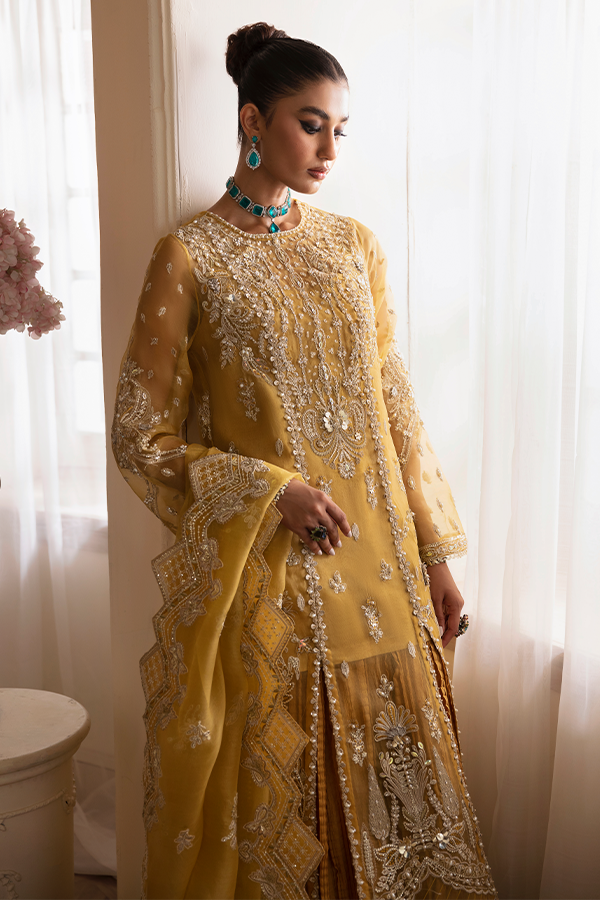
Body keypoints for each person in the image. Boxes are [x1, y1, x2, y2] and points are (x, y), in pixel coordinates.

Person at [111, 22, 497, 900]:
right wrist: (269, 488)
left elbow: (393, 406)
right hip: (281, 585)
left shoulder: (354, 245)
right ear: (253, 121)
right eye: (310, 124)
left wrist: (436, 554)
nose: (328, 149)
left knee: (410, 813)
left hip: (387, 577)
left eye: (339, 129)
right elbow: (140, 435)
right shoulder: (189, 257)